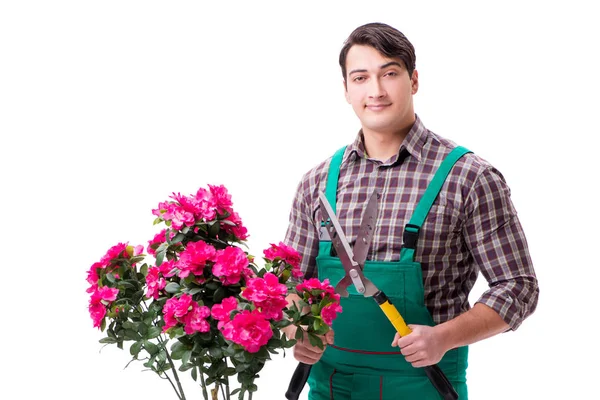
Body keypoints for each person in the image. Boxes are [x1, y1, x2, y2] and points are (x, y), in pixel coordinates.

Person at [281, 22, 539, 400]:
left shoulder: (468, 177)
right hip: (333, 387)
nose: (377, 91)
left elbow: (519, 287)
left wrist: (442, 338)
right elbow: (287, 284)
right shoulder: (316, 183)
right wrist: (298, 329)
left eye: (390, 74)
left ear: (414, 80)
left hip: (425, 385)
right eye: (361, 78)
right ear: (347, 90)